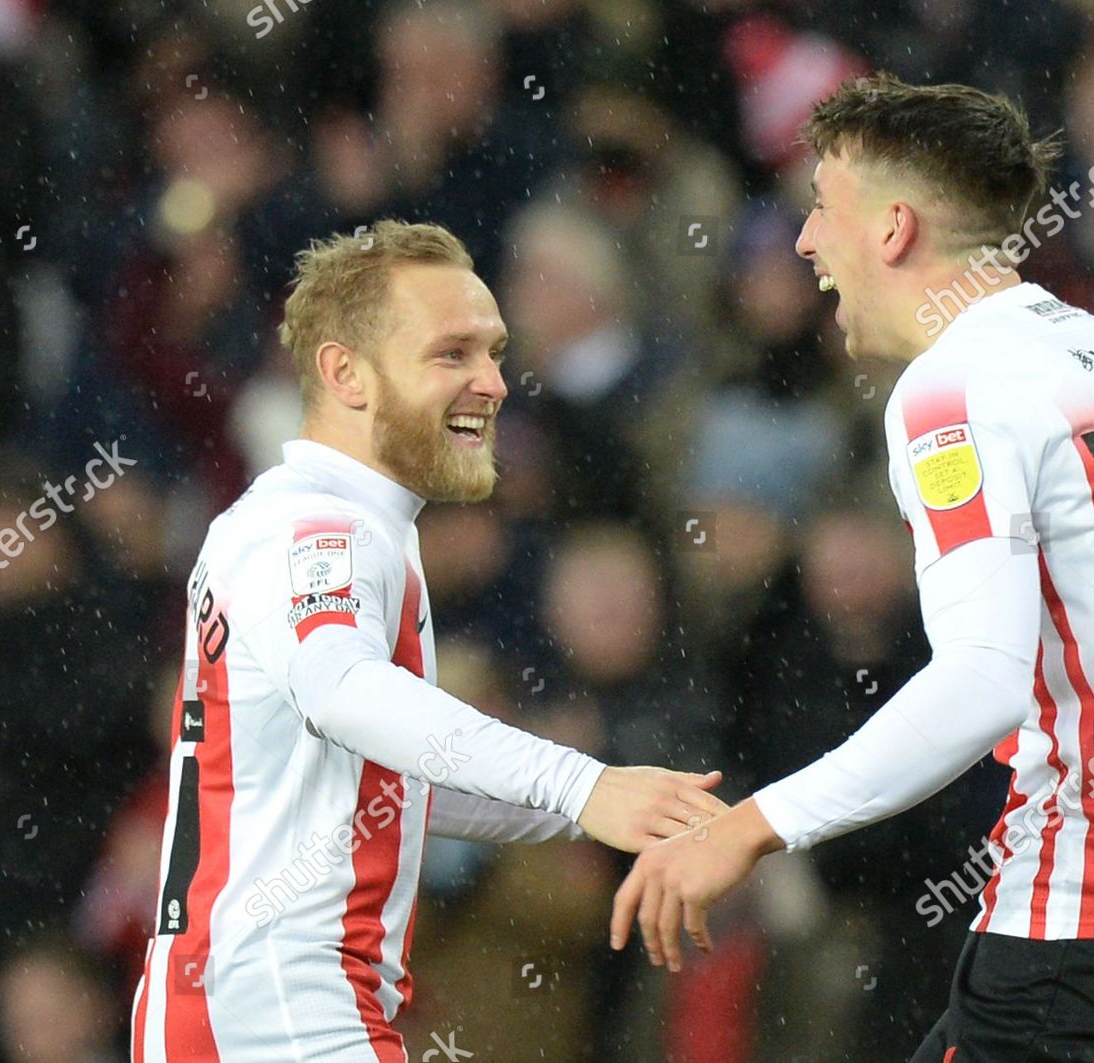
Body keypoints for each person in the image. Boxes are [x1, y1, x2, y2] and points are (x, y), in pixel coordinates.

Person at [609, 74, 1094, 1062]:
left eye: (821, 207)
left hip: (1085, 921)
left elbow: (982, 675)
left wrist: (751, 824)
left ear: (893, 228)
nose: (803, 243)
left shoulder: (951, 387)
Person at [130, 220, 727, 1062]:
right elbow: (344, 688)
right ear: (346, 372)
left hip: (244, 1005)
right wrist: (579, 781)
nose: (493, 381)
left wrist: (609, 806)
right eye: (452, 354)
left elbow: (388, 785)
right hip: (279, 1016)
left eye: (494, 350)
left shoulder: (314, 522)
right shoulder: (321, 530)